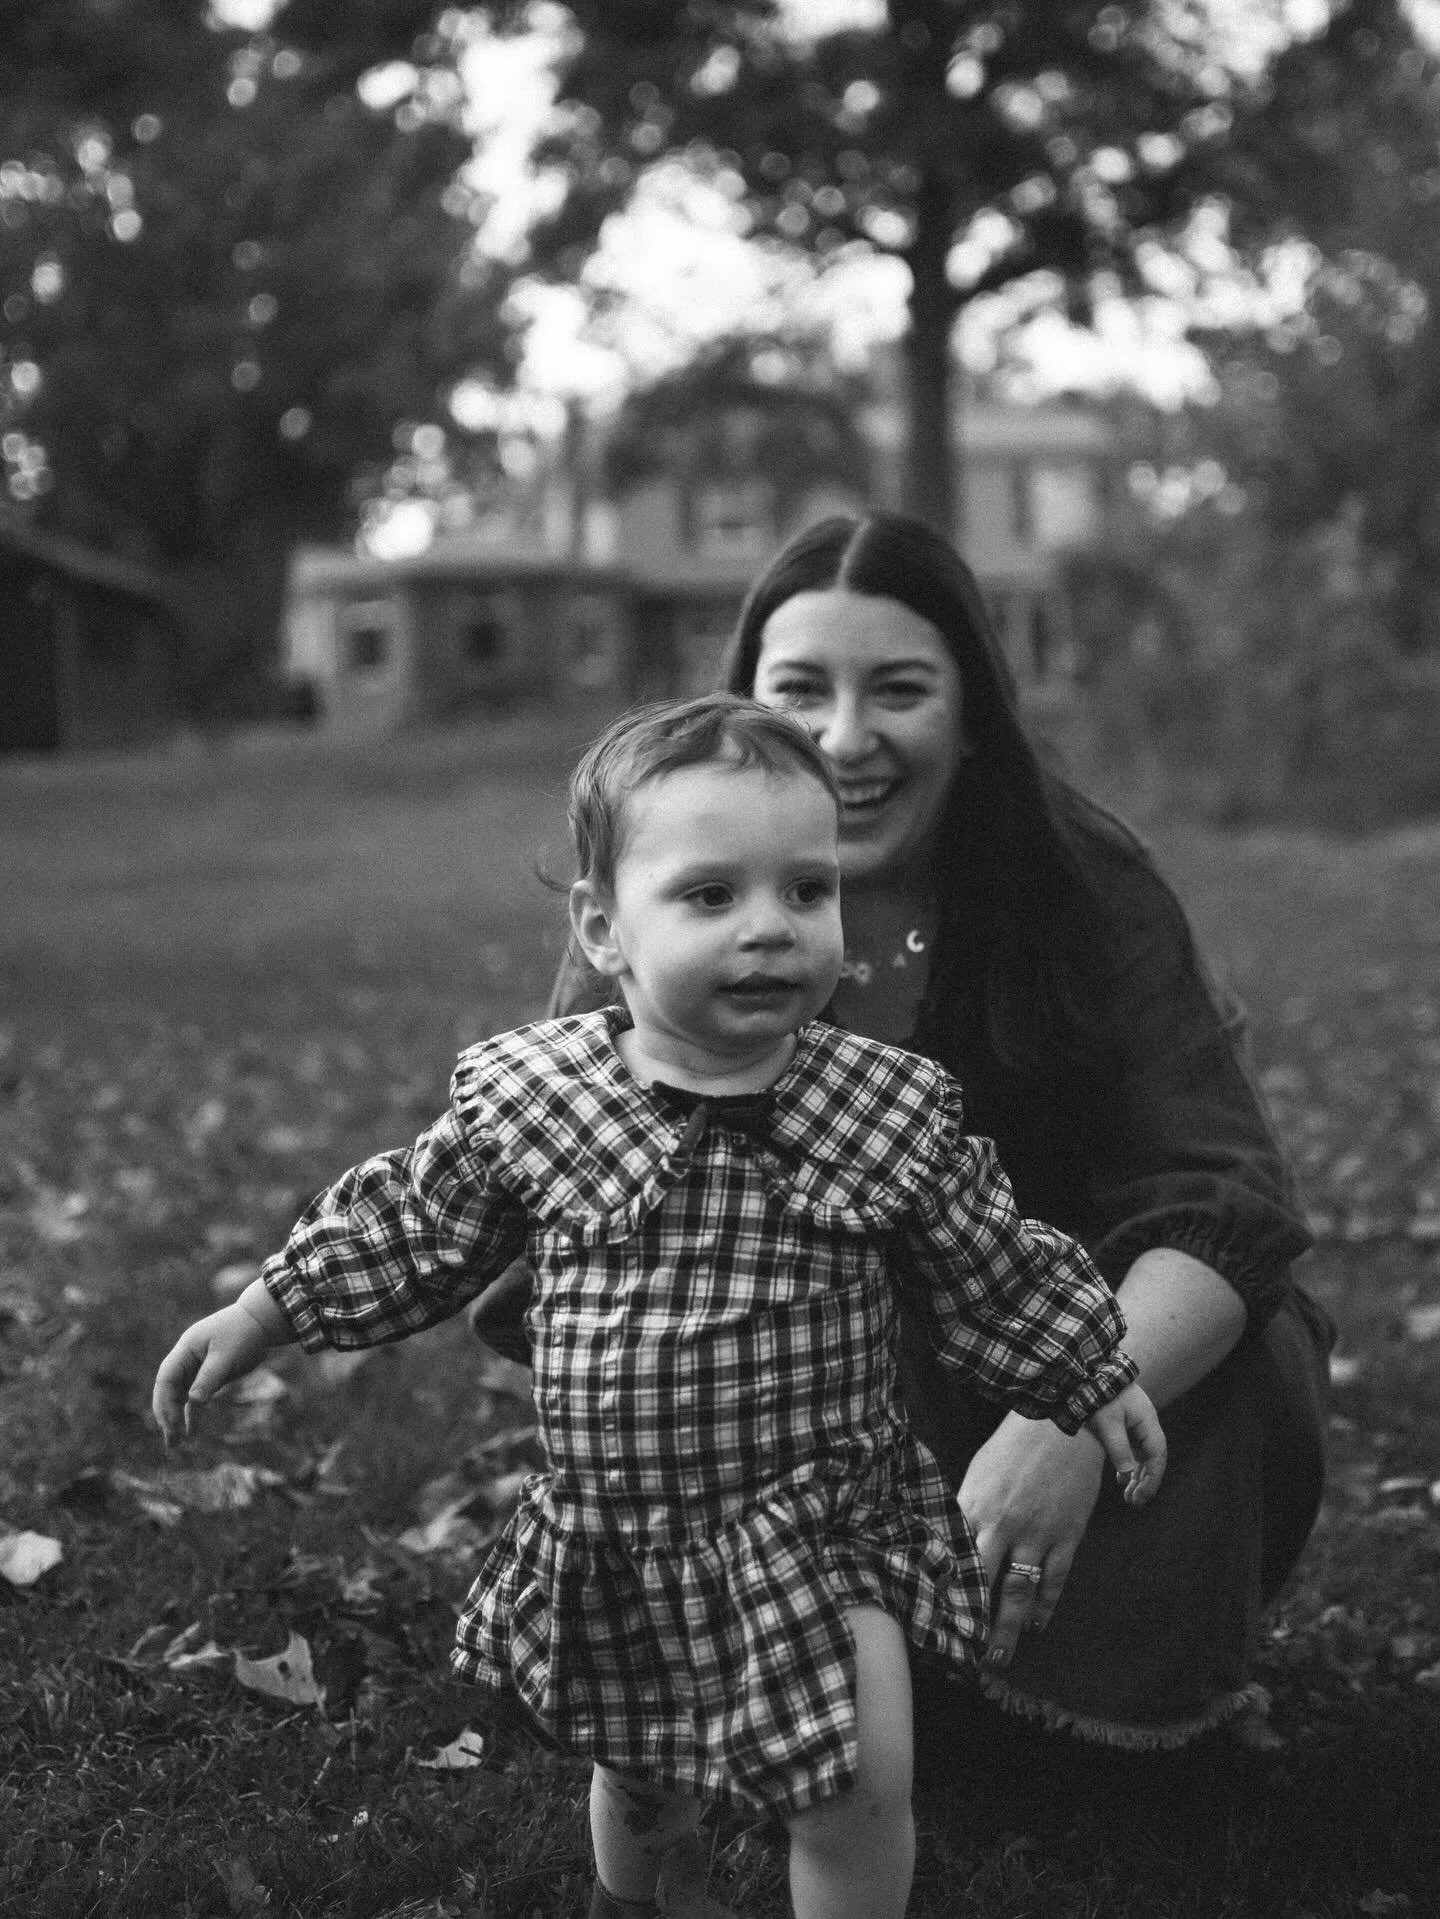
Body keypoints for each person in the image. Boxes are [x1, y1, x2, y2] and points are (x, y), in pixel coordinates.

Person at [153, 695, 1166, 1919]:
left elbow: (992, 1259)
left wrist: (1091, 1367)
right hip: (620, 1529)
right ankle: (642, 1895)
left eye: (807, 889)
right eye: (710, 896)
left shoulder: (879, 1113)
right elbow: (408, 1224)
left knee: (856, 1772)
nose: (770, 930)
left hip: (818, 1523)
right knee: (639, 1774)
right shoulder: (542, 1099)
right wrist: (269, 1306)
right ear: (605, 926)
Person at [475, 513, 1331, 1755]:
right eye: (801, 691)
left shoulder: (1081, 881)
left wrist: (1065, 1409)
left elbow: (1226, 1196)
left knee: (1233, 1333)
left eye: (901, 690)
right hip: (773, 1388)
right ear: (748, 709)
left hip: (1072, 1357)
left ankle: (1069, 1676)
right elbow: (533, 1221)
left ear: (973, 709)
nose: (844, 738)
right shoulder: (669, 897)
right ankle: (787, 1647)